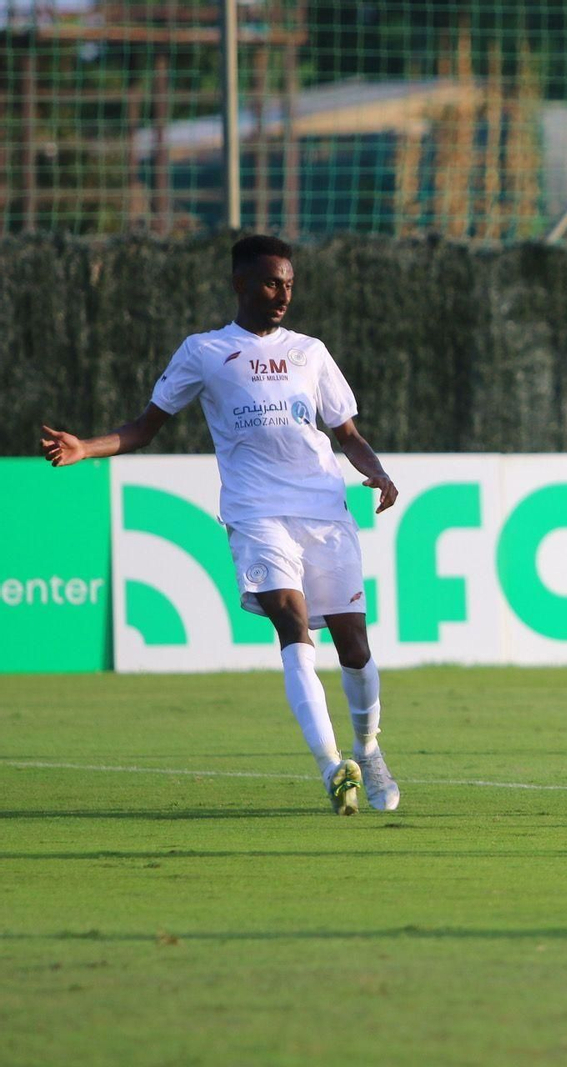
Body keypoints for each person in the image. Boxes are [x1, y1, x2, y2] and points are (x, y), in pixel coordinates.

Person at [40, 234, 401, 816]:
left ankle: (369, 749)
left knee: (354, 645)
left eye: (287, 283)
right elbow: (144, 427)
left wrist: (379, 473)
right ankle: (335, 767)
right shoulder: (204, 351)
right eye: (269, 282)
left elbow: (348, 435)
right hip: (256, 511)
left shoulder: (310, 351)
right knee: (291, 621)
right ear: (239, 284)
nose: (281, 293)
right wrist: (87, 447)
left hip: (323, 510)